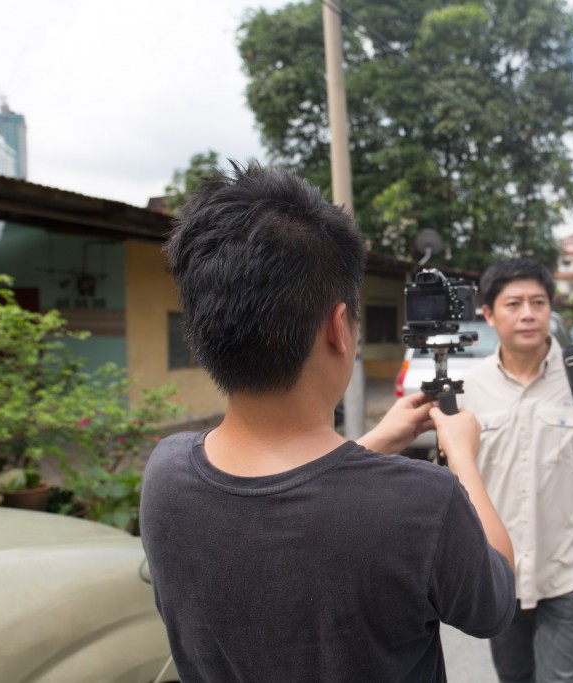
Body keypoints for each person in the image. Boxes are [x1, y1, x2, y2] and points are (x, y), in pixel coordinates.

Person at [140, 163, 516, 682]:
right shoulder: (423, 501)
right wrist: (465, 462)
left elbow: (297, 502)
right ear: (339, 328)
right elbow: (495, 604)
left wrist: (371, 445)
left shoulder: (166, 473)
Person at [459, 258, 573, 683]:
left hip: (571, 574)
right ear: (489, 314)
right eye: (514, 304)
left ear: (550, 309)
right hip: (501, 577)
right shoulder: (470, 387)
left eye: (538, 302)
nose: (528, 314)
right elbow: (459, 484)